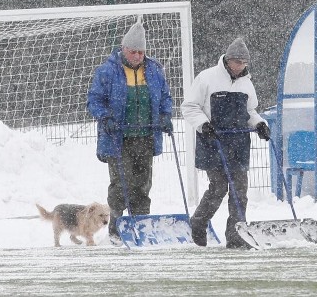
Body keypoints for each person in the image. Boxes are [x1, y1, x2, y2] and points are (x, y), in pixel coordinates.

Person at [87, 20, 174, 243]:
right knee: (121, 183)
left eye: (141, 52)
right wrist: (106, 117)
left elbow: (165, 97)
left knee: (143, 184)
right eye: (133, 51)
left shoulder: (154, 70)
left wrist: (165, 116)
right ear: (124, 49)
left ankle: (141, 225)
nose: (137, 56)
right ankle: (116, 229)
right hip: (118, 137)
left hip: (145, 136)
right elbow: (94, 100)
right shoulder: (108, 71)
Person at [181, 37, 270, 248]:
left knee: (240, 190)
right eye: (238, 62)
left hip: (238, 143)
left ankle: (236, 235)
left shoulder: (246, 83)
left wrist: (259, 124)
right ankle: (198, 225)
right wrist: (204, 125)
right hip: (213, 142)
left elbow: (249, 111)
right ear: (228, 60)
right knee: (218, 187)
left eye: (244, 63)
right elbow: (190, 107)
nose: (241, 67)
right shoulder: (207, 78)